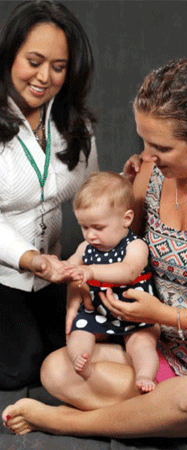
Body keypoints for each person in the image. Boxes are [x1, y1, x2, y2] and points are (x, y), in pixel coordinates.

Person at [3, 58, 187, 439]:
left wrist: (166, 313)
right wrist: (80, 283)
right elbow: (118, 246)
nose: (148, 155)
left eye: (162, 147)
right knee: (57, 370)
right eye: (143, 141)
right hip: (156, 347)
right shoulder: (152, 174)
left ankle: (67, 422)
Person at [0, 0, 98, 390]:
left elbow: (91, 194)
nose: (45, 77)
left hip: (51, 273)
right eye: (34, 61)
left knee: (70, 351)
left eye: (58, 67)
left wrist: (124, 184)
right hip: (6, 271)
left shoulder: (77, 123)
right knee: (18, 372)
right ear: (9, 55)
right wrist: (29, 260)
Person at [66, 171, 159, 393]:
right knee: (78, 332)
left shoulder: (135, 246)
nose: (90, 236)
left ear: (126, 219)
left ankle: (145, 375)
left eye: (98, 227)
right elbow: (69, 267)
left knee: (142, 344)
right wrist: (59, 269)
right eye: (84, 227)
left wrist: (90, 271)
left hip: (135, 313)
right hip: (98, 311)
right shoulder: (85, 248)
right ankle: (81, 359)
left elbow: (127, 272)